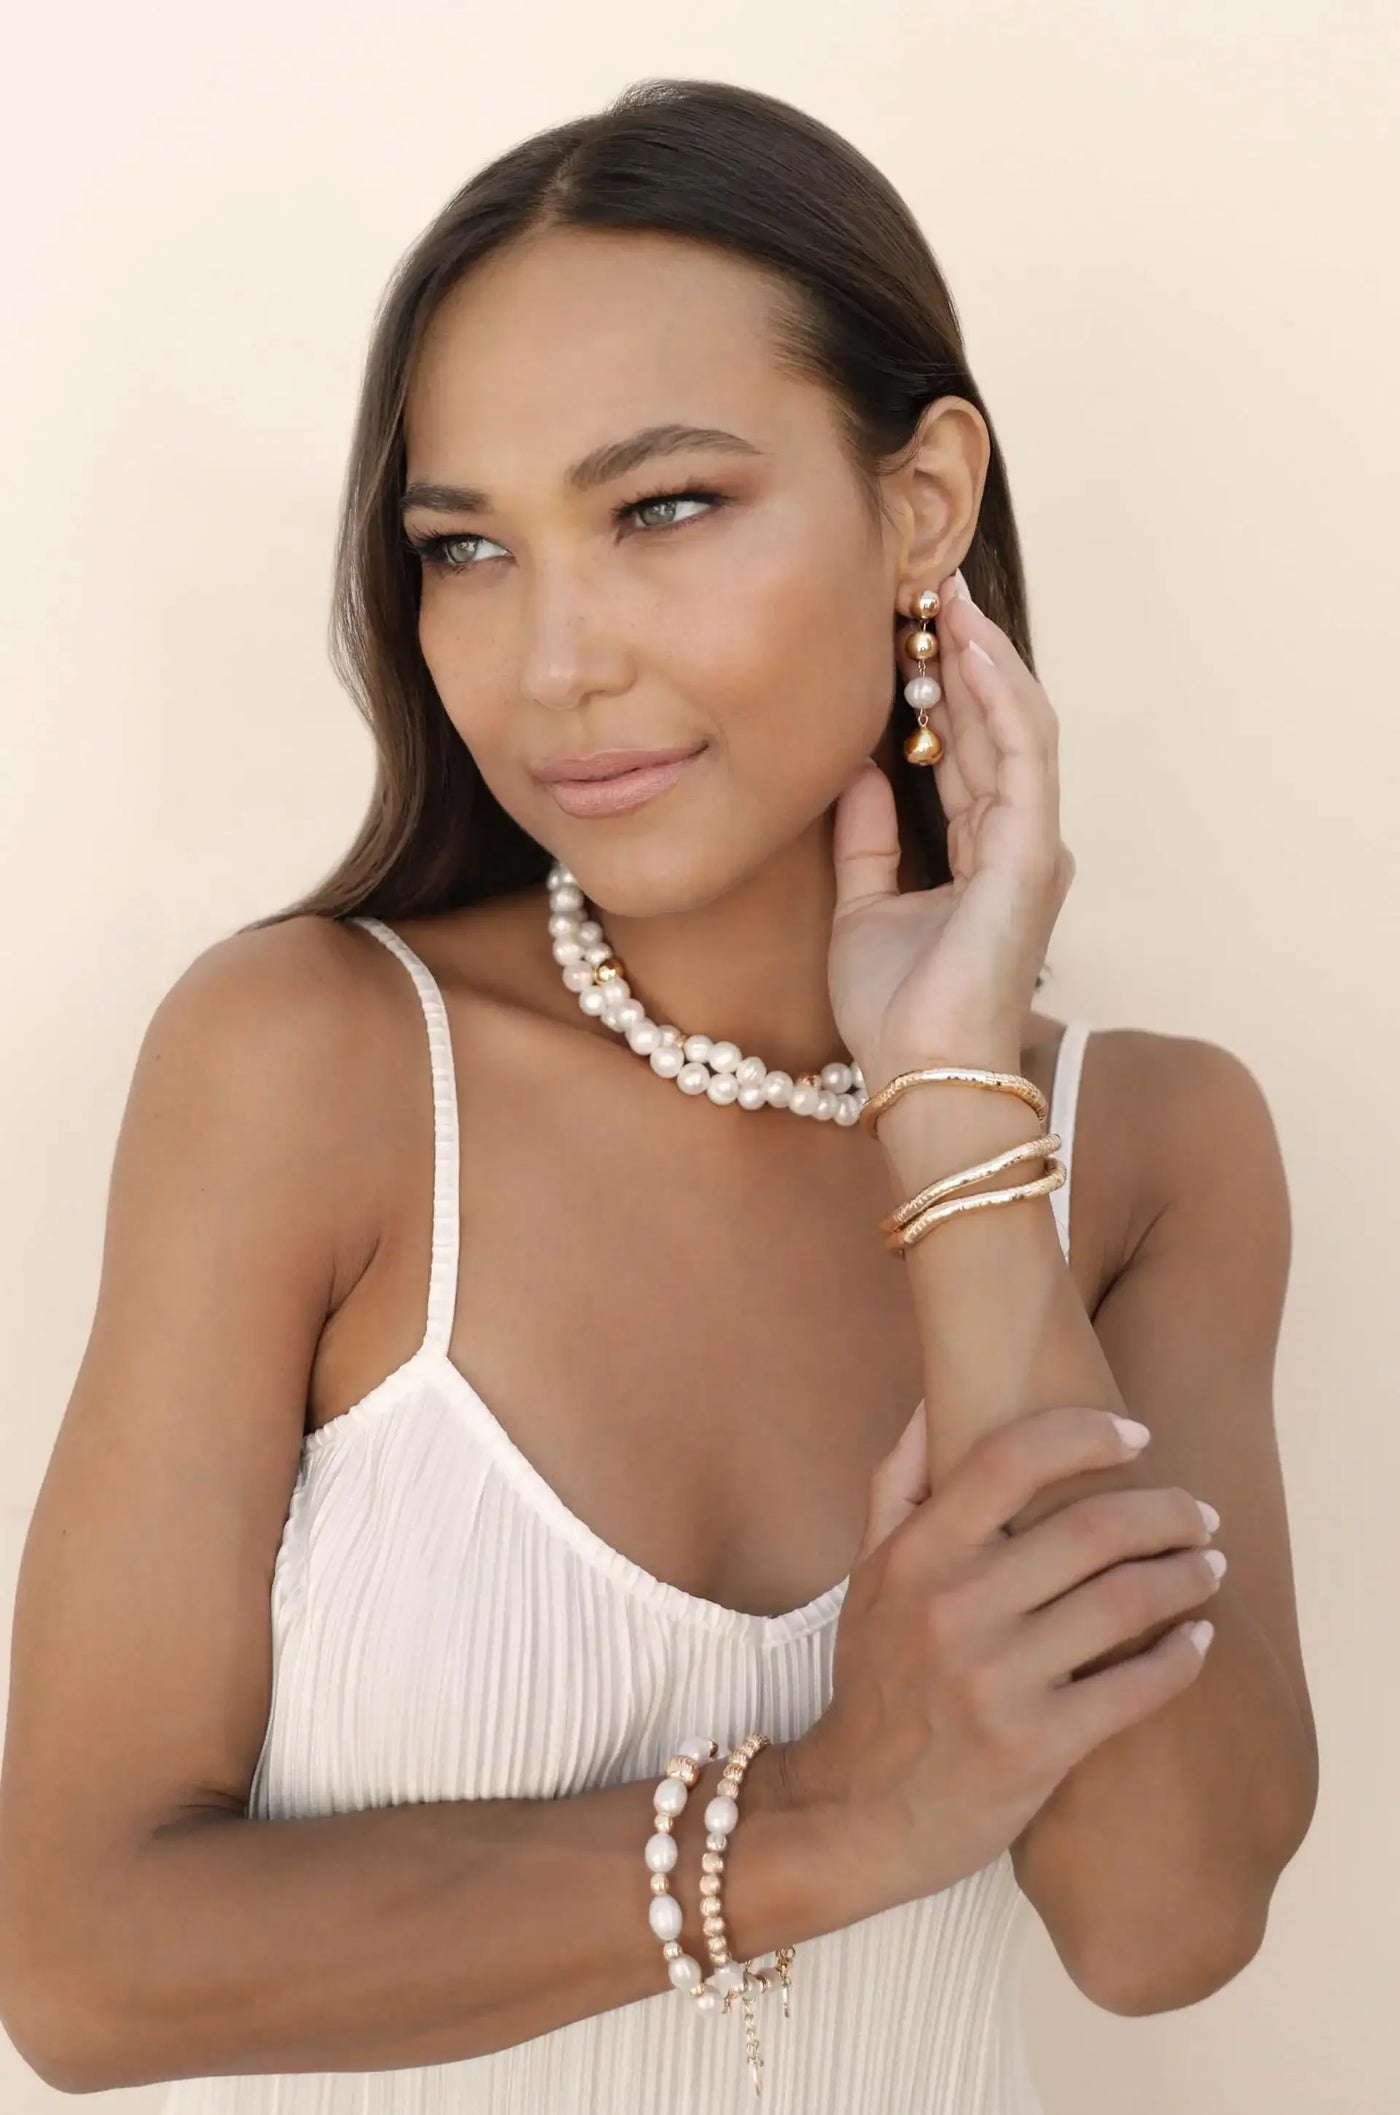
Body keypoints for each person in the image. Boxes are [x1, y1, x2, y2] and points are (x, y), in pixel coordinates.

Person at [0, 76, 1316, 2115]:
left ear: (921, 501)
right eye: (466, 548)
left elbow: (1160, 1920)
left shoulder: (1152, 1150)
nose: (553, 663)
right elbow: (82, 1963)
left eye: (663, 507)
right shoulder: (309, 1065)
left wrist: (955, 1095)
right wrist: (821, 1820)